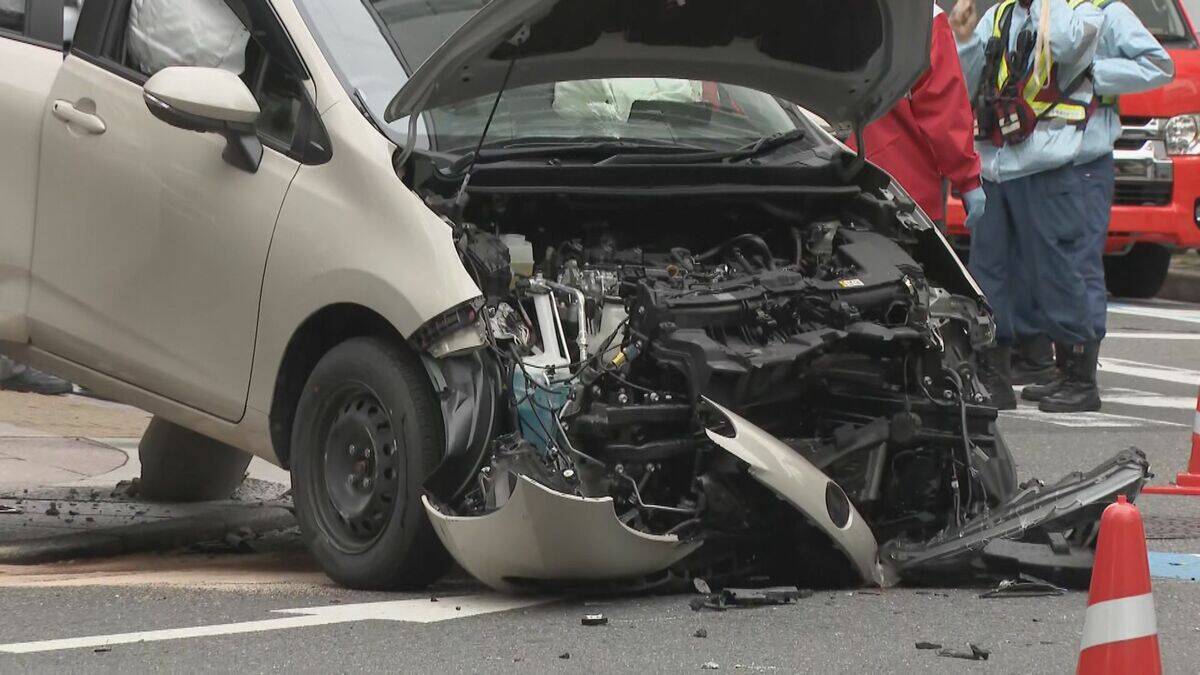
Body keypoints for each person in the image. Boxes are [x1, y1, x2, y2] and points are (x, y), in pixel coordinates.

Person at [950, 0, 1103, 410]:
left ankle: (1078, 378)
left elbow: (1068, 46)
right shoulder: (998, 16)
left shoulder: (1081, 12)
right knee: (988, 272)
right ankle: (994, 374)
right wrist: (963, 40)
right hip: (995, 166)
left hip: (1046, 165)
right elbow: (962, 85)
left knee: (1056, 268)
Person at [1021, 0, 1173, 410]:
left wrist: (1095, 75)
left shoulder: (1108, 12)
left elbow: (1159, 64)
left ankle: (1082, 379)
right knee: (1056, 267)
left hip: (1086, 160)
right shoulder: (1046, 9)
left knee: (1079, 264)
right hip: (1049, 156)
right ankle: (1066, 368)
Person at [854, 2, 986, 232]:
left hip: (826, 173)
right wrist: (968, 180)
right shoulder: (922, 16)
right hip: (904, 192)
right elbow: (944, 112)